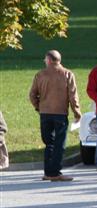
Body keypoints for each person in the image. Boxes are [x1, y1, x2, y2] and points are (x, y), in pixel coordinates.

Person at [29, 49, 81, 181]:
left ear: (49, 60)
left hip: (45, 113)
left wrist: (38, 107)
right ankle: (56, 173)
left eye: (45, 60)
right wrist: (77, 113)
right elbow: (73, 96)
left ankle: (48, 172)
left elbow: (32, 95)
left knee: (48, 144)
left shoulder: (40, 74)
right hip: (60, 113)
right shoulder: (67, 74)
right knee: (59, 144)